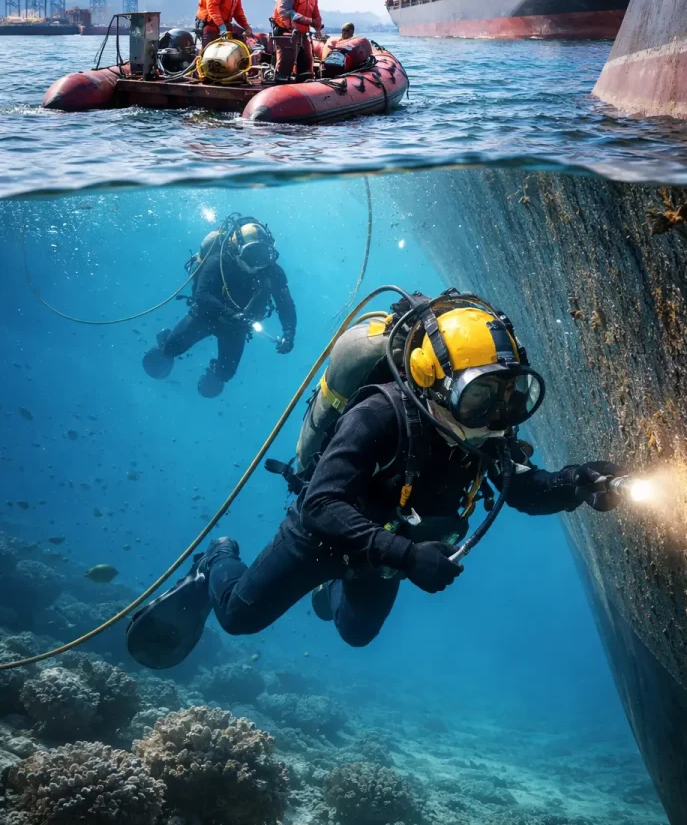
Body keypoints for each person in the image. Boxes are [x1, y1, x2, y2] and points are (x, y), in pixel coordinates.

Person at [128, 289, 621, 669]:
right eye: (480, 397)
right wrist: (407, 556)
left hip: (387, 552)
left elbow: (521, 489)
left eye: (510, 396)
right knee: (238, 617)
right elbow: (322, 504)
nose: (495, 416)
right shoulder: (380, 414)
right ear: (435, 385)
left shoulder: (485, 427)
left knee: (355, 634)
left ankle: (334, 588)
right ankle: (217, 559)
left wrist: (577, 483)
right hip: (321, 538)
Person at [142, 218, 296, 399]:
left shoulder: (273, 272)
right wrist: (228, 314)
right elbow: (203, 294)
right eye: (251, 254)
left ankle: (211, 371)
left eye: (262, 255)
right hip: (205, 316)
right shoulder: (218, 261)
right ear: (237, 248)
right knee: (169, 351)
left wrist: (289, 333)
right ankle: (165, 340)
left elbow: (285, 304)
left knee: (225, 375)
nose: (256, 263)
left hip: (236, 327)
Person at [271, 0, 324, 83]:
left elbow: (316, 16)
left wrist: (317, 28)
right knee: (285, 63)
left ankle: (303, 85)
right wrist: (303, 21)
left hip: (302, 35)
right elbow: (283, 11)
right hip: (286, 34)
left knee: (307, 65)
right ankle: (280, 83)